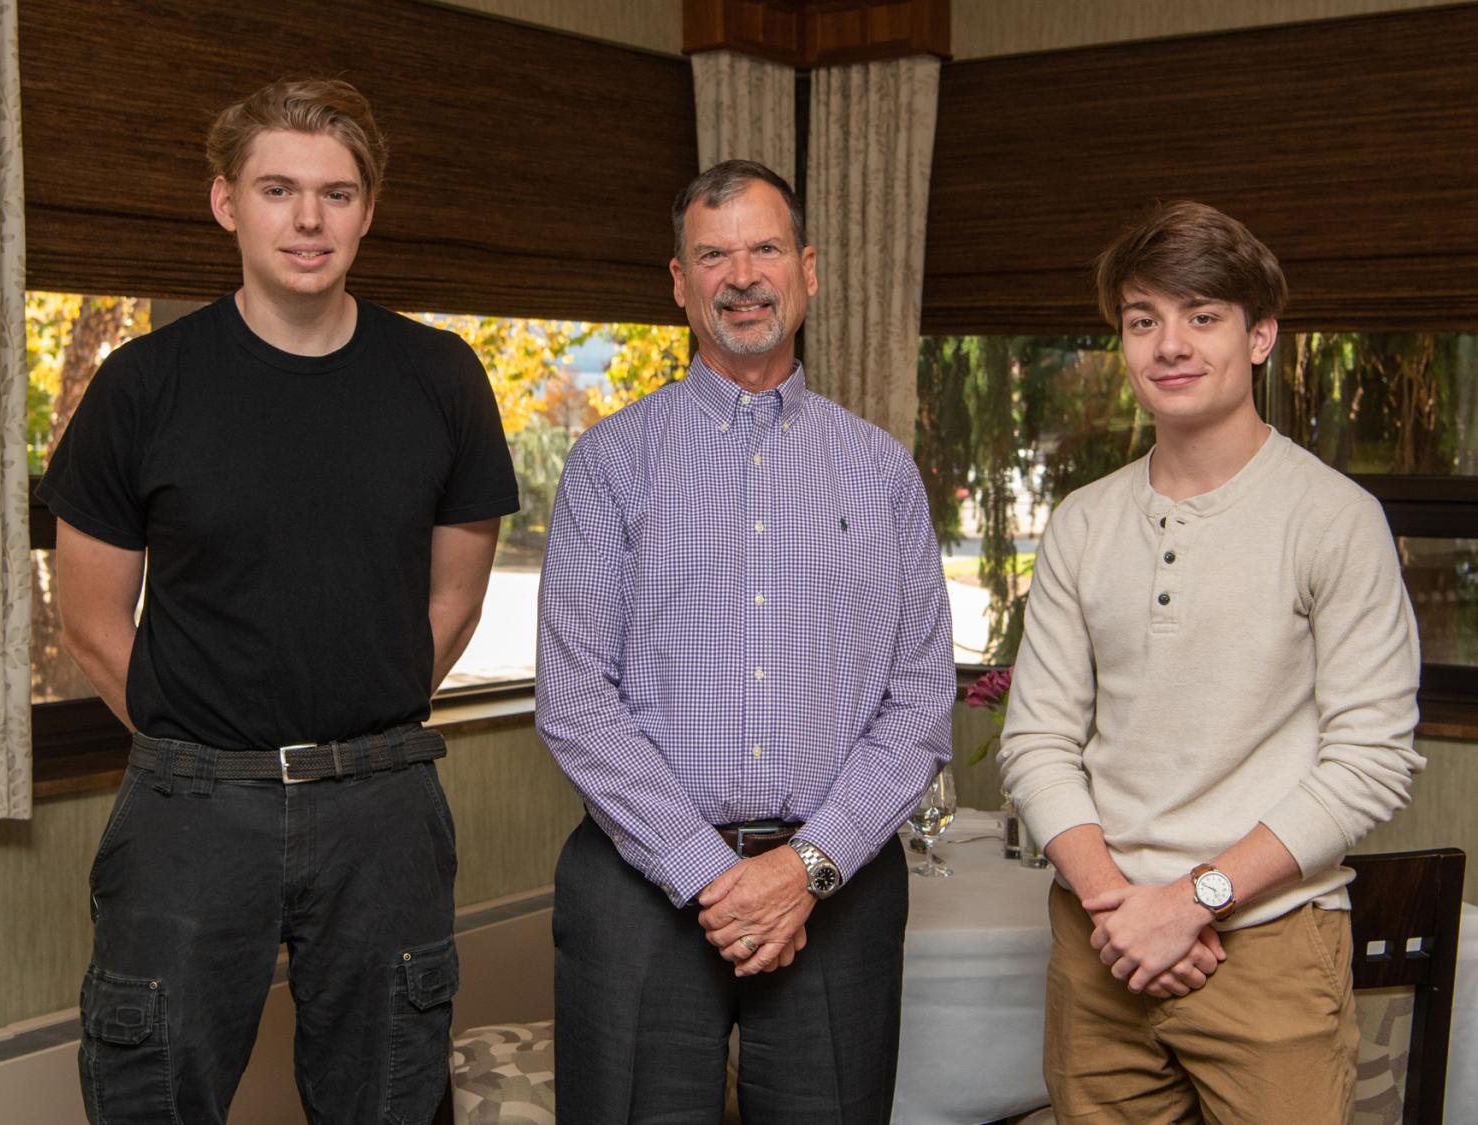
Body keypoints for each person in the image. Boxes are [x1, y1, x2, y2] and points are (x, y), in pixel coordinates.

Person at [39, 78, 518, 1124]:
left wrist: (358, 725)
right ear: (227, 203)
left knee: (390, 1095)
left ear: (367, 211)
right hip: (191, 809)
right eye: (277, 190)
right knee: (151, 1093)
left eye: (336, 194)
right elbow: (90, 618)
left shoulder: (441, 378)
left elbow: (453, 603)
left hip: (383, 809)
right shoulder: (143, 385)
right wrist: (199, 745)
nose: (309, 219)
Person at [535, 159, 955, 1123]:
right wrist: (709, 872)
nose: (742, 276)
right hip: (638, 884)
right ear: (680, 283)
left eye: (765, 248)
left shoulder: (881, 471)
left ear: (807, 269)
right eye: (713, 255)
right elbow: (576, 699)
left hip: (838, 890)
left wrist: (805, 867)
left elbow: (921, 699)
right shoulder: (610, 463)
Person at [998, 200, 1423, 1123]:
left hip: (1269, 949)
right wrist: (1121, 908)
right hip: (1101, 946)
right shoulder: (1082, 522)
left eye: (1202, 316)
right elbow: (1035, 741)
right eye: (1142, 320)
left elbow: (1371, 759)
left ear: (1260, 335)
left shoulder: (1335, 518)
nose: (1170, 345)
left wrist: (1196, 899)